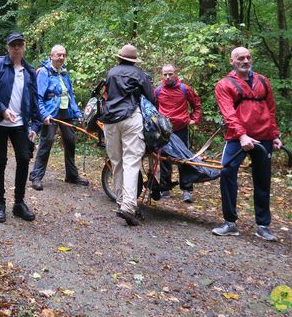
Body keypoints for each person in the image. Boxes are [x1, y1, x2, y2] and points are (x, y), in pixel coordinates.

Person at [212, 47, 282, 241]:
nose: (245, 60)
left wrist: (274, 134)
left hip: (263, 137)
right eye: (240, 58)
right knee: (227, 172)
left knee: (262, 180)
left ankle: (263, 225)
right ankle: (230, 222)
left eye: (248, 57)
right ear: (232, 61)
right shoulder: (224, 84)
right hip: (237, 137)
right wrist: (242, 135)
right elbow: (228, 113)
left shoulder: (262, 81)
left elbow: (271, 108)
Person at [0, 32, 42, 223]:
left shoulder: (29, 71)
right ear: (8, 47)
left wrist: (35, 125)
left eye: (19, 45)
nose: (16, 48)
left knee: (24, 158)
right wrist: (2, 109)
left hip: (20, 124)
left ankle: (19, 204)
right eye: (13, 45)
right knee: (0, 161)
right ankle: (0, 204)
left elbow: (34, 100)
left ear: (23, 47)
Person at [100, 44, 155, 226]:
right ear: (133, 60)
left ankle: (121, 201)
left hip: (110, 120)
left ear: (119, 57)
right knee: (131, 161)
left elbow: (106, 95)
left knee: (117, 163)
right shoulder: (139, 74)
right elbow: (151, 97)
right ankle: (128, 206)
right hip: (130, 117)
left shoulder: (111, 73)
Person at [29, 45, 88, 191]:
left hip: (65, 112)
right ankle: (36, 176)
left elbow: (70, 95)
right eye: (58, 55)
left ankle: (72, 175)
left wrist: (77, 112)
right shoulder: (43, 72)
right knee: (47, 142)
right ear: (51, 55)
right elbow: (38, 97)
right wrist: (43, 114)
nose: (61, 57)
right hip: (50, 113)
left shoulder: (65, 73)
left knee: (70, 141)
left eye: (63, 55)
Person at [155, 63, 202, 202]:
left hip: (181, 128)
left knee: (184, 158)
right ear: (162, 75)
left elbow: (196, 104)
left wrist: (195, 119)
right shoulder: (157, 91)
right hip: (164, 130)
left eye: (170, 74)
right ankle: (165, 188)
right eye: (165, 74)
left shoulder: (184, 89)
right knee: (164, 158)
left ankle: (187, 190)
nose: (168, 77)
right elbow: (153, 107)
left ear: (175, 73)